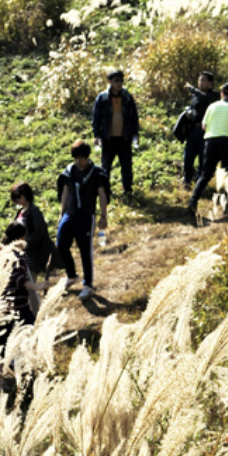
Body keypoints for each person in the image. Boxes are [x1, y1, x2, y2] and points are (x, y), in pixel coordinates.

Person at [56, 140, 111, 300]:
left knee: (85, 250)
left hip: (86, 216)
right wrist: (62, 213)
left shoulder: (96, 173)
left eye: (81, 157)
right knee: (61, 244)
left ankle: (88, 284)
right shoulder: (70, 171)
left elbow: (102, 194)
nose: (78, 161)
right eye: (76, 158)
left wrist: (103, 216)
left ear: (87, 156)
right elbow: (65, 192)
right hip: (70, 214)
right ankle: (72, 275)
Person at [188, 82, 228, 218]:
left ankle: (193, 201)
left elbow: (203, 126)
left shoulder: (212, 106)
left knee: (205, 174)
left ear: (221, 94)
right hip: (226, 142)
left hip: (210, 142)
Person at [91, 68, 139, 198]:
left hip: (124, 138)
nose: (119, 83)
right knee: (106, 167)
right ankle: (106, 191)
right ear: (109, 81)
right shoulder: (102, 98)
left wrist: (135, 133)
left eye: (121, 81)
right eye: (117, 81)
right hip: (108, 138)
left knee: (126, 166)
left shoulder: (127, 97)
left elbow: (134, 116)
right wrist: (96, 135)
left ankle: (128, 190)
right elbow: (96, 118)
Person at [0, 222, 37, 350]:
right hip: (17, 306)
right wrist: (36, 287)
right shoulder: (15, 255)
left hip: (0, 306)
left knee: (3, 349)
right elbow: (18, 278)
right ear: (21, 238)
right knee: (29, 342)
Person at [10, 182, 57, 279]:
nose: (17, 200)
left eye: (19, 197)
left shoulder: (34, 211)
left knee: (30, 278)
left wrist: (27, 244)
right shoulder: (20, 211)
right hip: (22, 253)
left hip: (33, 253)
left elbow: (39, 230)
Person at [182, 71, 220, 188]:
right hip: (194, 130)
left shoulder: (214, 95)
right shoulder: (195, 96)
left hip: (207, 131)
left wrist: (192, 88)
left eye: (203, 80)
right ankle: (187, 180)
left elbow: (205, 98)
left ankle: (200, 183)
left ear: (210, 83)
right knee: (188, 156)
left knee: (203, 159)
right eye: (199, 80)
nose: (201, 83)